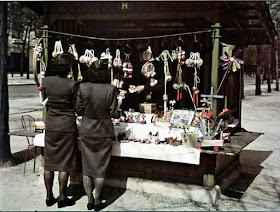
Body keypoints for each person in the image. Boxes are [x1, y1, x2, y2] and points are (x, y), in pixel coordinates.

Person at [76, 59, 118, 211]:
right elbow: (113, 112)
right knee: (101, 167)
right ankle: (98, 200)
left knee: (87, 167)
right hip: (104, 131)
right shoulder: (111, 89)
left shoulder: (83, 87)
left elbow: (78, 109)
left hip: (87, 130)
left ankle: (89, 199)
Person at [42, 53, 79, 208]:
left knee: (49, 163)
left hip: (51, 125)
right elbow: (77, 106)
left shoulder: (46, 81)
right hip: (67, 125)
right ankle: (62, 197)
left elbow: (45, 101)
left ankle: (49, 196)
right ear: (67, 69)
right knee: (64, 164)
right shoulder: (72, 84)